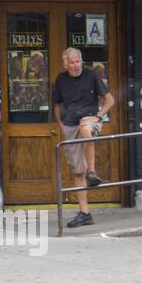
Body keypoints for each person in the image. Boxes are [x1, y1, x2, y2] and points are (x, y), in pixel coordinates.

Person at [53, 47, 116, 228]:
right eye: (71, 62)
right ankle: (85, 213)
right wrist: (60, 124)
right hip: (70, 125)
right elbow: (57, 104)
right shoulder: (61, 80)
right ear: (66, 64)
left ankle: (93, 172)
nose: (75, 65)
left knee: (85, 129)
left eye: (78, 61)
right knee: (77, 171)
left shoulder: (91, 76)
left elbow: (110, 100)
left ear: (82, 61)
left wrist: (98, 116)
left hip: (90, 120)